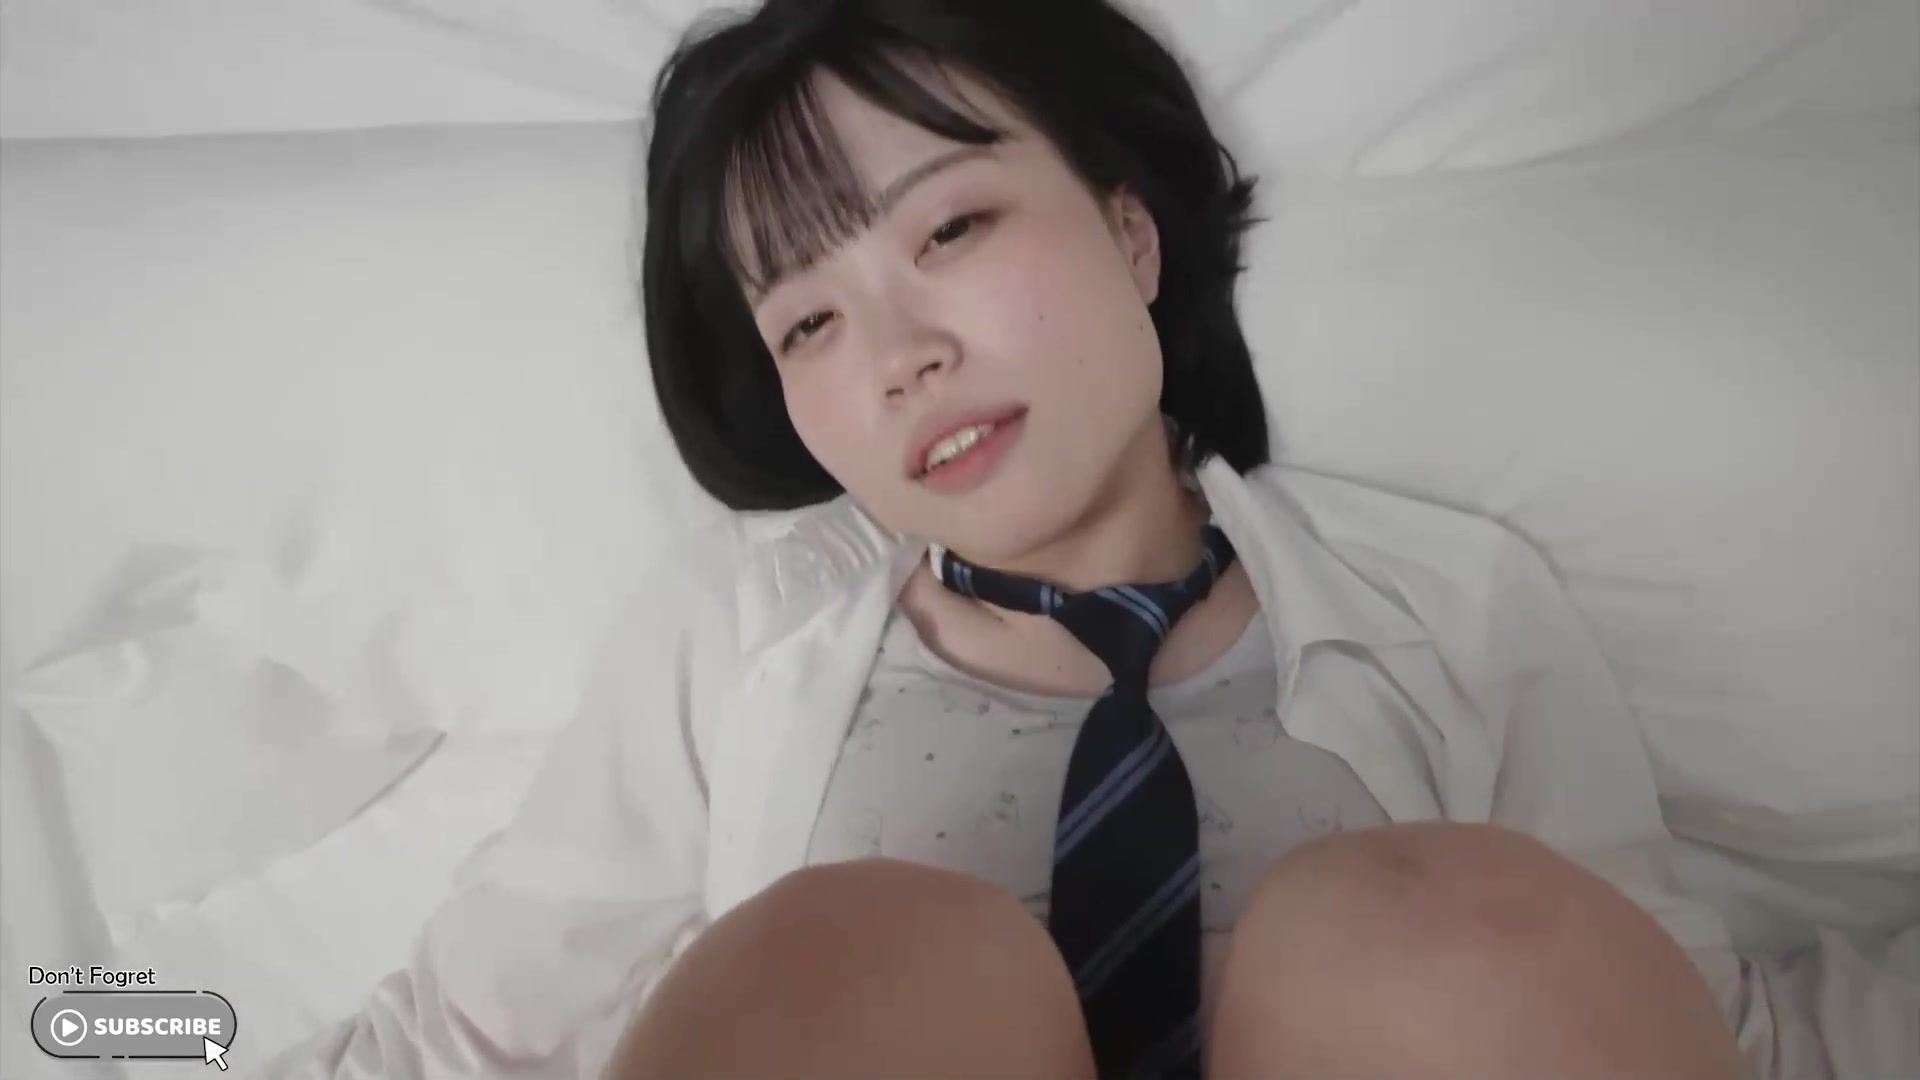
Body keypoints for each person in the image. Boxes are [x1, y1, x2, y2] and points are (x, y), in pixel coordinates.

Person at [263, 2, 1903, 1078]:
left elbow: (1690, 1017)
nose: (897, 353)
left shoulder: (1456, 609)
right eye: (808, 322)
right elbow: (450, 1037)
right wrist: (131, 1027)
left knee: (1433, 933)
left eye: (952, 227)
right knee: (862, 963)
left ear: (1131, 234)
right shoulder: (734, 636)